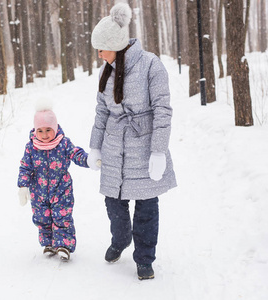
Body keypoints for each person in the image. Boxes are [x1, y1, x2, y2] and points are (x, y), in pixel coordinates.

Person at [87, 3, 177, 280]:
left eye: (101, 48)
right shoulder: (107, 70)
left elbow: (162, 109)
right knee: (114, 203)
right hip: (115, 148)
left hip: (144, 146)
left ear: (114, 44)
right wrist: (95, 146)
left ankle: (144, 258)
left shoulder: (151, 64)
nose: (99, 54)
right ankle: (121, 239)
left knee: (146, 207)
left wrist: (158, 151)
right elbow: (102, 111)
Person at [17, 99, 90, 261]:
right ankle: (49, 244)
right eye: (40, 131)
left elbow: (75, 154)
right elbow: (25, 167)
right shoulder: (31, 147)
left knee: (62, 216)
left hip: (61, 189)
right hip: (39, 192)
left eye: (48, 130)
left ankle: (64, 245)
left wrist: (88, 160)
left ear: (55, 128)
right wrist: (23, 186)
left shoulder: (63, 143)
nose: (44, 135)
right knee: (42, 218)